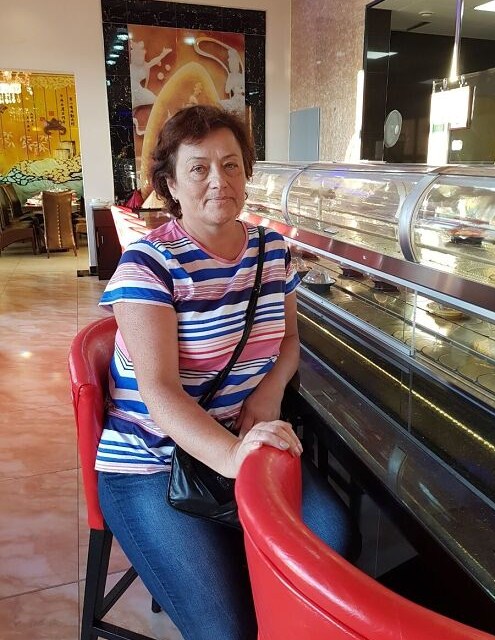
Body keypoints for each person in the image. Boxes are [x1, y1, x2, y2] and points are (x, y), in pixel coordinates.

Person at [97, 105, 356, 640]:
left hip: (241, 444)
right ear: (171, 184)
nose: (219, 180)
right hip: (151, 462)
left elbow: (288, 341)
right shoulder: (148, 264)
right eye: (199, 168)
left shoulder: (271, 249)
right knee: (227, 630)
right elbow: (160, 392)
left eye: (231, 164)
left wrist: (267, 394)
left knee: (333, 542)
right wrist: (234, 457)